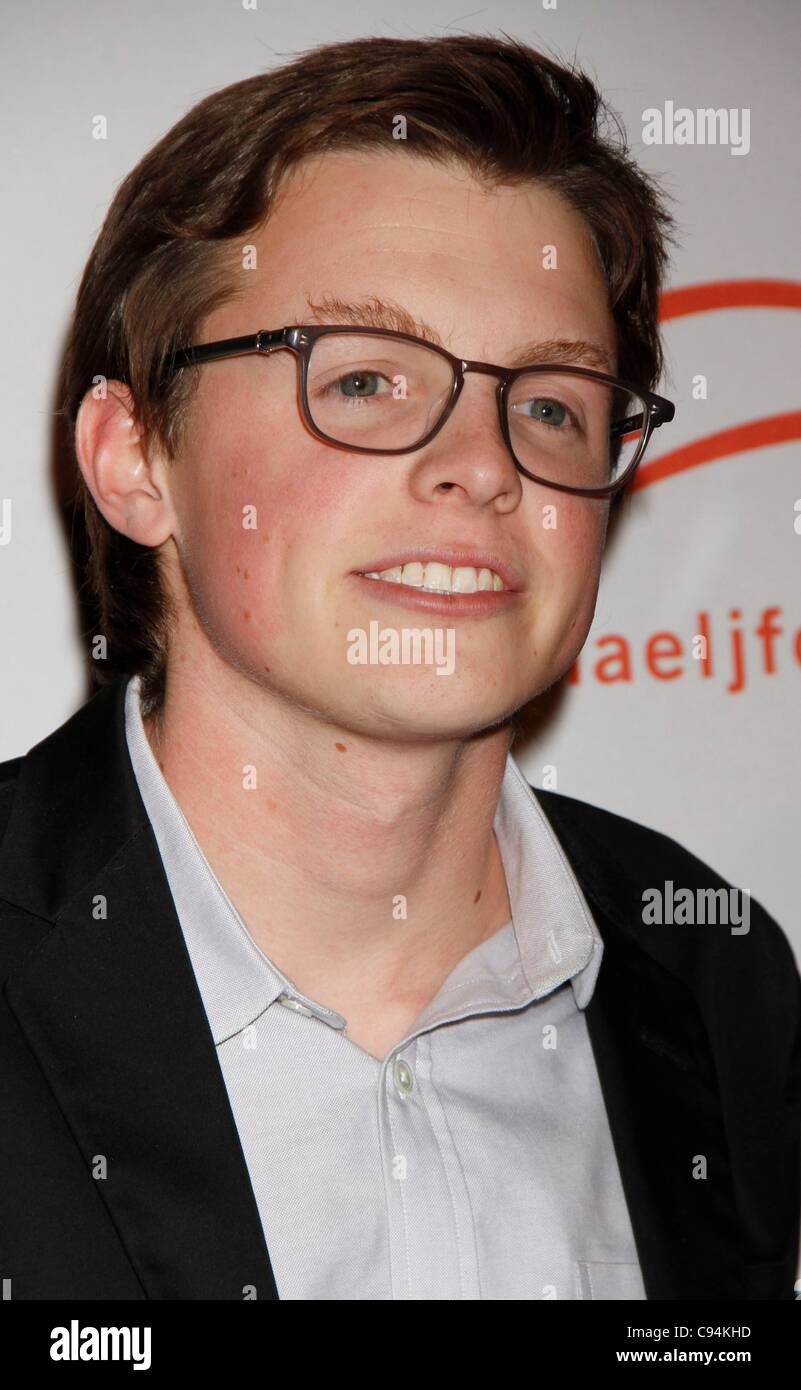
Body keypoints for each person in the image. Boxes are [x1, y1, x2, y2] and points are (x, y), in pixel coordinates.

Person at [0, 33, 798, 1302]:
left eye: (551, 402)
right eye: (366, 377)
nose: (482, 464)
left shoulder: (719, 976)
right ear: (135, 456)